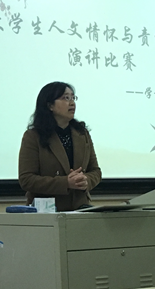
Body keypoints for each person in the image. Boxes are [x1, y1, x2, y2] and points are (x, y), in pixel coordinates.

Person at [18, 81, 101, 211]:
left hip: (81, 208)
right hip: (47, 211)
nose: (72, 103)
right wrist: (65, 183)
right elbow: (26, 179)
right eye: (66, 98)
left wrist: (86, 180)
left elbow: (95, 171)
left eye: (73, 98)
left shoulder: (82, 133)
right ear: (50, 105)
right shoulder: (33, 136)